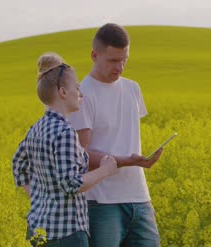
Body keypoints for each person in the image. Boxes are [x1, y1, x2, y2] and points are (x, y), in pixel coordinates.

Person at [68, 23, 163, 247]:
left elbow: (124, 136)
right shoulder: (82, 95)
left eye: (124, 60)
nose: (120, 67)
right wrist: (126, 161)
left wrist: (140, 160)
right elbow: (81, 154)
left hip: (139, 198)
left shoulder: (133, 89)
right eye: (113, 60)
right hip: (102, 202)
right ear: (94, 55)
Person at [12, 52, 119, 246]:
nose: (81, 94)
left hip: (40, 231)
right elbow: (72, 184)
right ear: (62, 92)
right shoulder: (65, 132)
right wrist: (106, 170)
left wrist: (37, 197)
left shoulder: (36, 128)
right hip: (67, 234)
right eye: (77, 88)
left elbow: (17, 163)